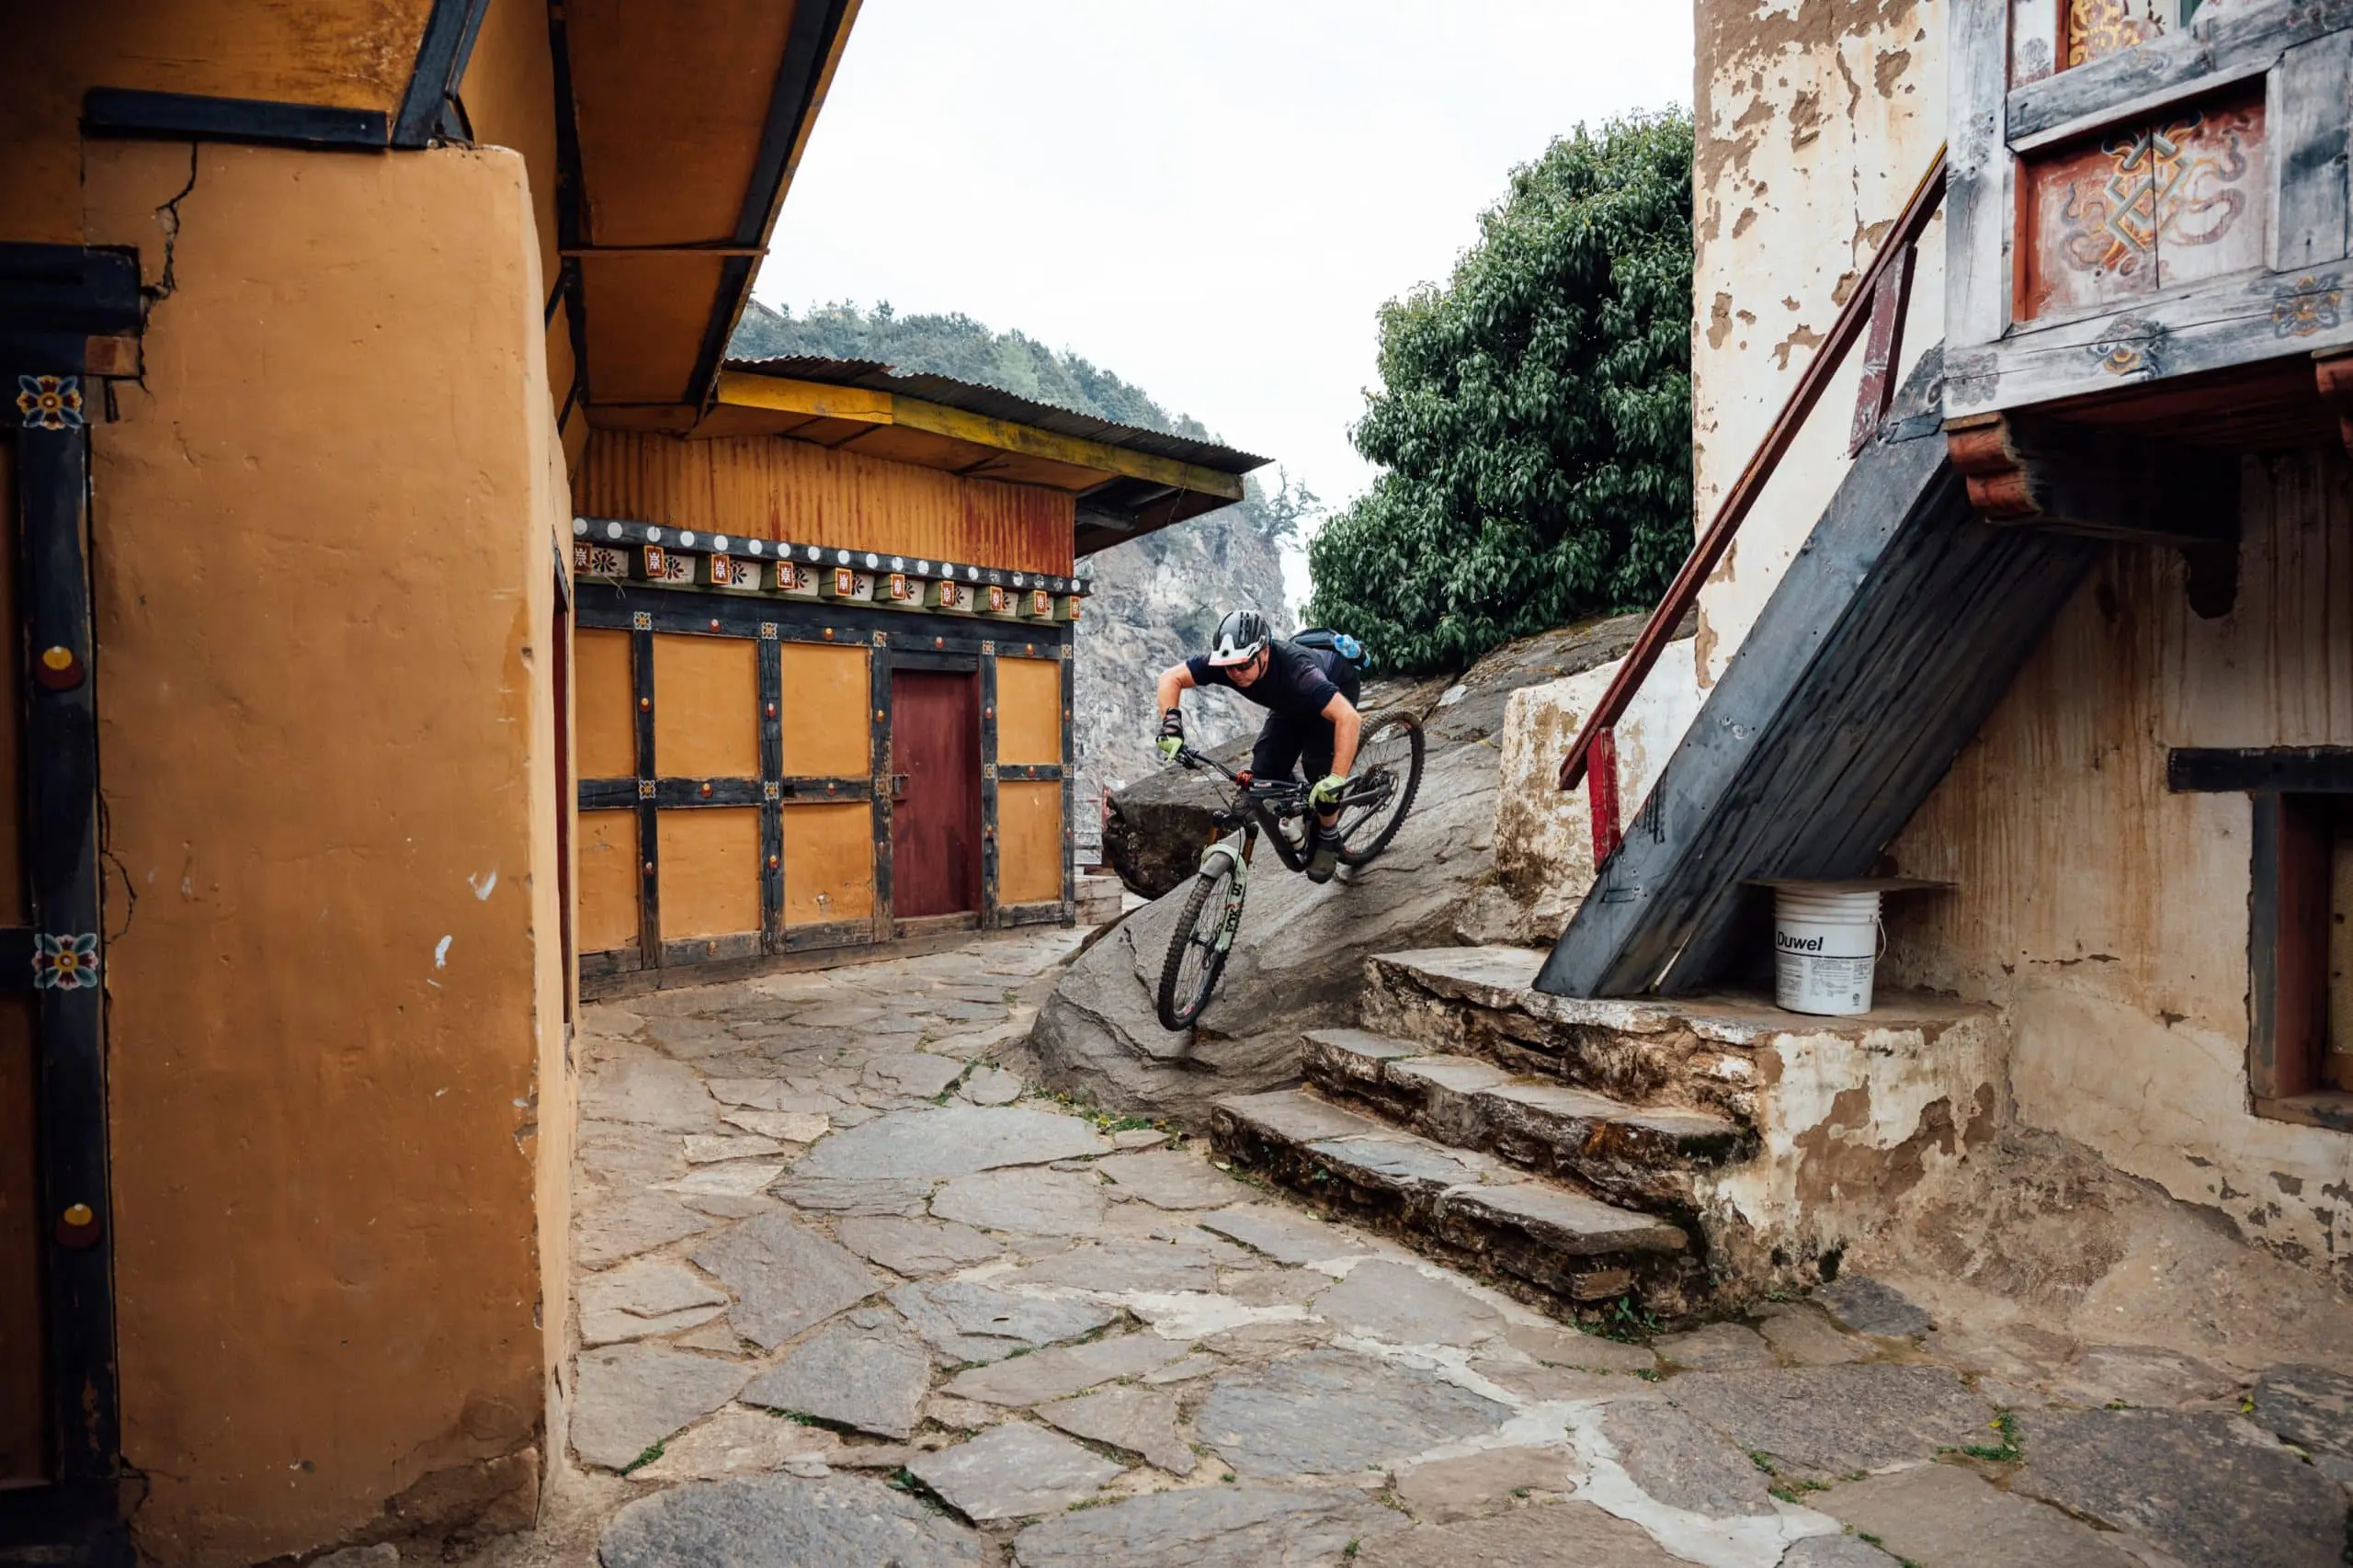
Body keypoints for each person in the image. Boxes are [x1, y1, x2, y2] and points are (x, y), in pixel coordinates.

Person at [1152, 609, 1361, 883]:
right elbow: (1171, 678)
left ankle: (1329, 834)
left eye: (1243, 665)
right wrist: (1171, 724)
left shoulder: (1298, 671)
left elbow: (1349, 718)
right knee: (1263, 771)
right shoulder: (1229, 663)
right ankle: (1303, 809)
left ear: (1264, 652)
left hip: (1335, 688)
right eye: (1230, 667)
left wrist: (1336, 778)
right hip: (1288, 703)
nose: (1236, 674)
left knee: (1319, 769)